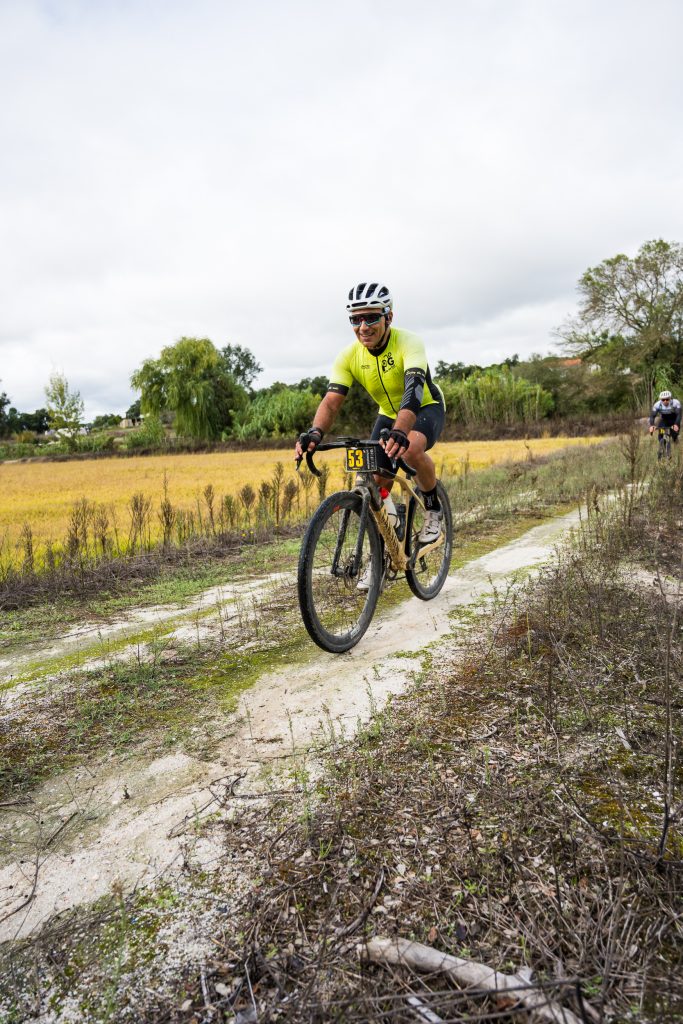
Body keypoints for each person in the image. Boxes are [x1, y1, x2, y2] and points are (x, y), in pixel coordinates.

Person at [295, 281, 446, 548]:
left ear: (388, 316)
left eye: (371, 317)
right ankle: (387, 542)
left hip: (425, 407)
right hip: (388, 414)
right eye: (356, 319)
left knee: (409, 450)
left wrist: (401, 432)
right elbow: (331, 403)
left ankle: (434, 510)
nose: (363, 327)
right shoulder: (348, 356)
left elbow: (413, 393)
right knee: (372, 479)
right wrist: (316, 432)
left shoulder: (409, 343)